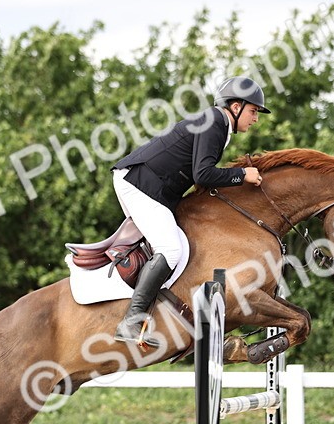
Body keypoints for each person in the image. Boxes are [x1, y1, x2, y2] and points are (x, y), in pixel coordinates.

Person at [110, 76, 270, 343]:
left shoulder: (218, 124)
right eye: (253, 111)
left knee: (178, 244)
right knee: (171, 248)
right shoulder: (216, 123)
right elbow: (203, 175)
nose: (255, 119)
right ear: (235, 106)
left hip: (150, 186)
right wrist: (242, 175)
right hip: (139, 184)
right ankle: (131, 320)